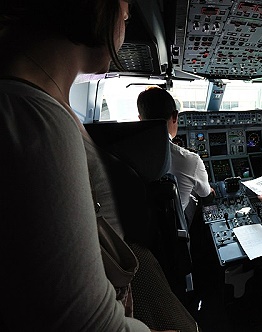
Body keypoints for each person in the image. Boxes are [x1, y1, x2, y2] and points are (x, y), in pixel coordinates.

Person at [0, 0, 153, 330]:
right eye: (124, 4)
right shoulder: (36, 118)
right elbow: (88, 325)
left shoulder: (42, 103)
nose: (127, 14)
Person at [137, 86, 214, 226]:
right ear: (175, 116)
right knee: (196, 194)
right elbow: (206, 196)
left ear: (140, 119)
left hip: (138, 227)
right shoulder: (190, 160)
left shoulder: (123, 152)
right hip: (172, 230)